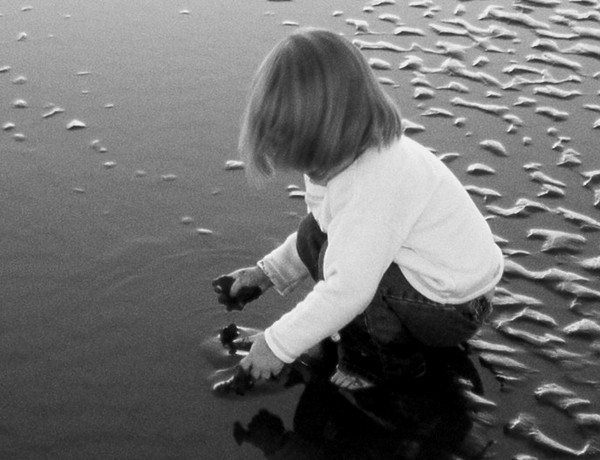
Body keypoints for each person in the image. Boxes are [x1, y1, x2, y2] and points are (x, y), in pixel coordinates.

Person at [215, 27, 504, 391]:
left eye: (305, 159)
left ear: (326, 135)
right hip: (439, 281)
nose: (308, 174)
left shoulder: (376, 184)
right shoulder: (343, 154)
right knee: (313, 235)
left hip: (456, 308)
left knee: (362, 285)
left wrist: (276, 344)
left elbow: (349, 289)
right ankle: (380, 334)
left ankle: (387, 365)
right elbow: (325, 227)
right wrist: (267, 274)